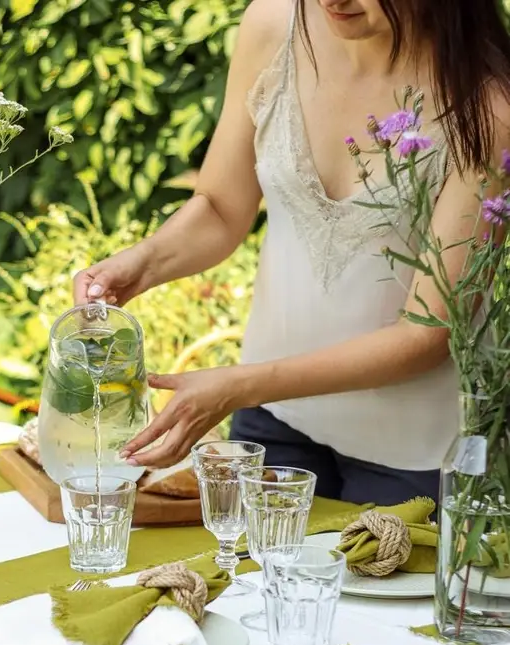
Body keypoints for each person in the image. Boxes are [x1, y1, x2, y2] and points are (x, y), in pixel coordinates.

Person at [73, 0, 510, 508]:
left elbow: (428, 334)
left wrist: (236, 386)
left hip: (416, 459)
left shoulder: (489, 110)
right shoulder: (273, 27)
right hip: (272, 421)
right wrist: (140, 264)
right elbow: (220, 207)